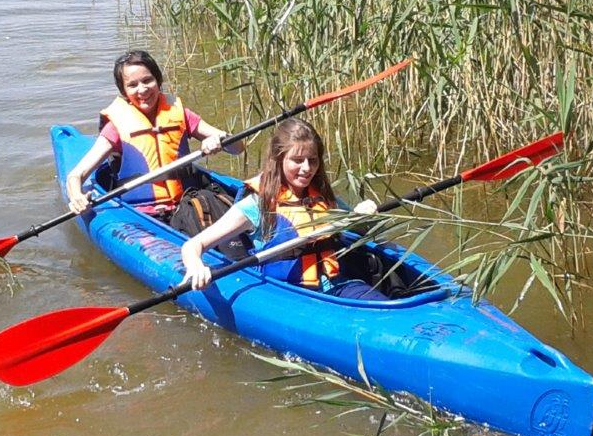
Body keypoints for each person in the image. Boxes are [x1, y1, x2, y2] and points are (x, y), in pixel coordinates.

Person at [181, 118, 389, 301]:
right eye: (297, 160)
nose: (307, 168)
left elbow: (359, 228)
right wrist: (196, 266)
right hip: (288, 295)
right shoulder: (257, 204)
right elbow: (193, 245)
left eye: (312, 160)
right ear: (279, 159)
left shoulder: (323, 196)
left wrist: (363, 216)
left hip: (339, 286)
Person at [66, 50, 240, 214]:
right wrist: (77, 197)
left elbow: (238, 148)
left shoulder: (181, 115)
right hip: (140, 212)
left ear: (158, 81)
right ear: (124, 91)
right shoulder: (115, 127)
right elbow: (75, 175)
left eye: (147, 80)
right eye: (132, 85)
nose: (142, 89)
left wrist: (220, 139)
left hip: (186, 203)